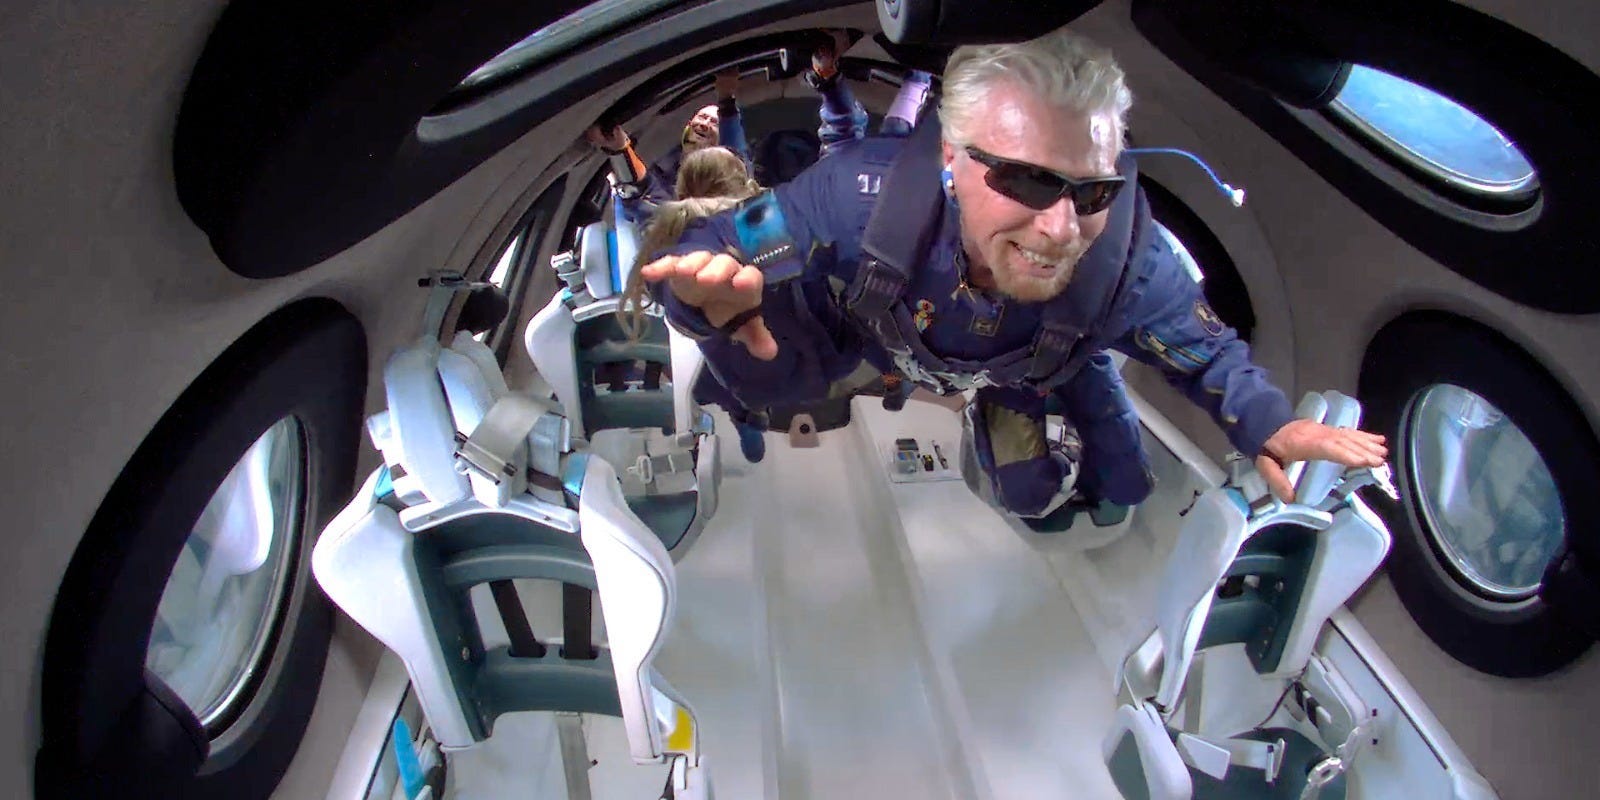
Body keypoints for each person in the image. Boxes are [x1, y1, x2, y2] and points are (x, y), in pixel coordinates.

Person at [638, 27, 1388, 530]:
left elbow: (1209, 353)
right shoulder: (855, 200)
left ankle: (1039, 458)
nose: (1061, 230)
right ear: (950, 162)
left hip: (1037, 362)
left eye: (1090, 191)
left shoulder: (1127, 259)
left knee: (1101, 489)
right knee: (769, 375)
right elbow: (719, 241)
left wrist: (1268, 424)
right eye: (1027, 181)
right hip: (887, 330)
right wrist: (702, 306)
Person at [586, 68, 751, 223]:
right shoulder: (662, 174)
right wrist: (619, 148)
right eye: (701, 117)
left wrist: (726, 100)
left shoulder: (734, 188)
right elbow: (647, 201)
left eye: (714, 122)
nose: (704, 124)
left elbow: (735, 163)